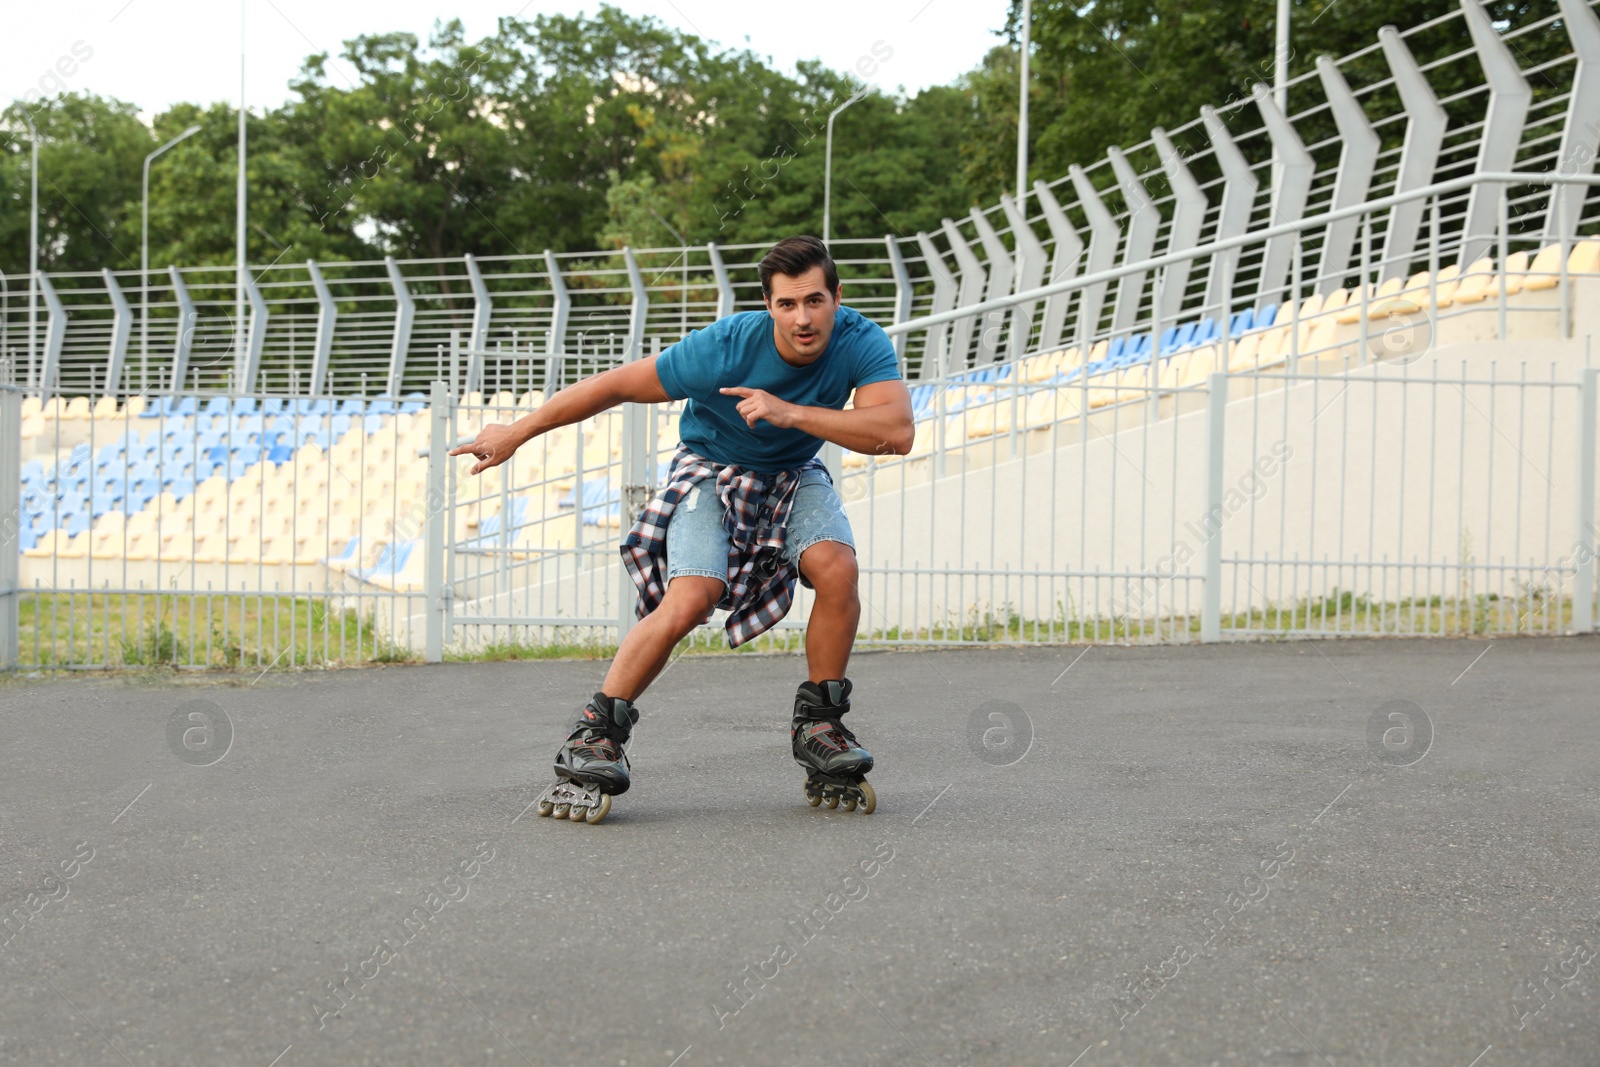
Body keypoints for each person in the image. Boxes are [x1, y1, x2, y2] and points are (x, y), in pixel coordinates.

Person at [450, 235, 914, 820]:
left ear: (837, 297)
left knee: (837, 567)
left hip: (794, 471)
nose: (803, 319)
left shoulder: (860, 340)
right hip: (709, 468)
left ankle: (820, 725)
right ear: (768, 306)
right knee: (693, 597)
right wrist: (517, 431)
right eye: (787, 305)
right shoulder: (724, 348)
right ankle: (596, 733)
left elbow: (896, 434)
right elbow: (615, 385)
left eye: (816, 302)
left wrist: (789, 413)